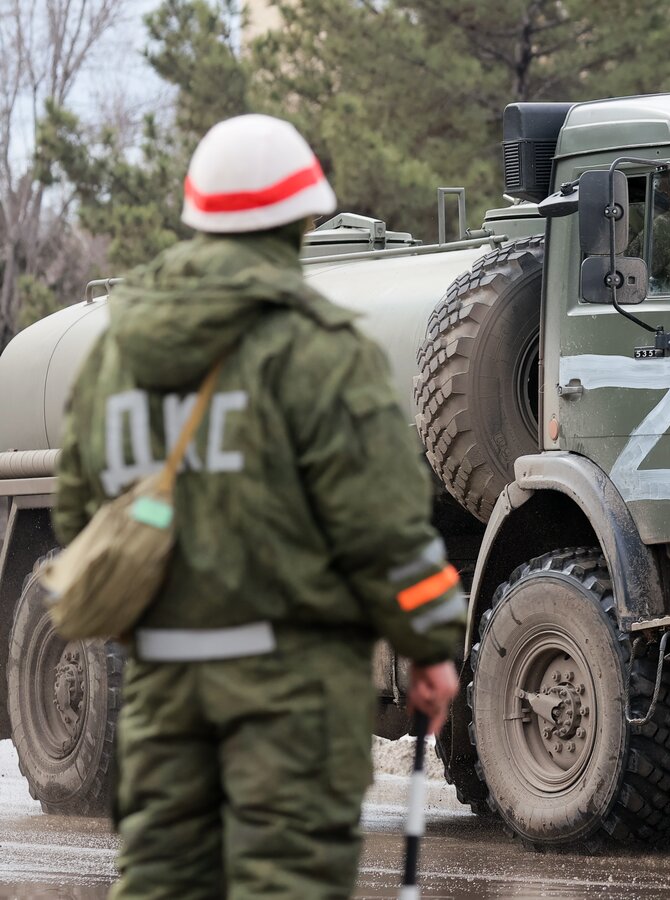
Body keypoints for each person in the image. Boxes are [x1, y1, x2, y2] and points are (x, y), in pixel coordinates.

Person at [53, 114, 466, 899]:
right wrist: (432, 641)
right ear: (300, 219)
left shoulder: (115, 350)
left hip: (162, 691)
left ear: (198, 215)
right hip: (293, 700)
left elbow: (81, 520)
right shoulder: (319, 350)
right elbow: (384, 533)